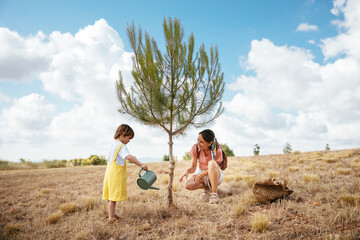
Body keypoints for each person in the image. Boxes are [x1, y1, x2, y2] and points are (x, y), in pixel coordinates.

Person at [103, 124, 148, 224]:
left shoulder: (112, 145)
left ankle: (112, 214)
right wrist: (141, 165)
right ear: (123, 135)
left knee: (110, 195)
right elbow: (129, 157)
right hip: (115, 175)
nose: (129, 141)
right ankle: (111, 218)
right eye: (129, 138)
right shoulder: (121, 146)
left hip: (109, 174)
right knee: (113, 197)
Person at [179, 129, 224, 204]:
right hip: (202, 172)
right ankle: (207, 190)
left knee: (211, 163)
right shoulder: (196, 147)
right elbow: (193, 167)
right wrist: (186, 171)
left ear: (210, 143)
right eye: (198, 140)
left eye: (201, 142)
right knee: (188, 185)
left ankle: (214, 193)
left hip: (215, 174)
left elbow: (214, 168)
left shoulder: (217, 150)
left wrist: (199, 176)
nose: (198, 143)